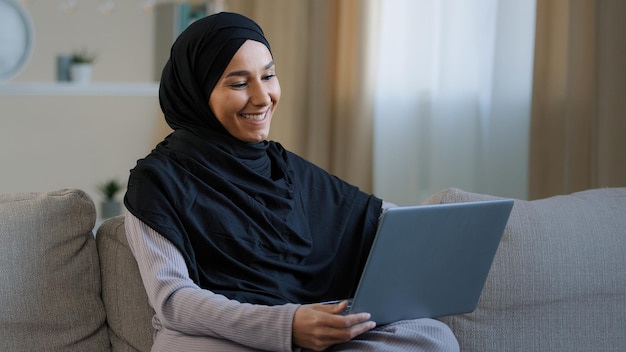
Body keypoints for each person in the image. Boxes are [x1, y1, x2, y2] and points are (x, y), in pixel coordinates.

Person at [124, 11, 459, 352]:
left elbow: (376, 219)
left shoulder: (282, 167)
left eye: (268, 76)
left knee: (433, 336)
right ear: (196, 93)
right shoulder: (156, 180)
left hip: (312, 324)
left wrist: (439, 230)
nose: (262, 97)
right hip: (219, 336)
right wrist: (286, 325)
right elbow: (173, 300)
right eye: (239, 83)